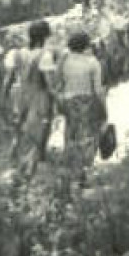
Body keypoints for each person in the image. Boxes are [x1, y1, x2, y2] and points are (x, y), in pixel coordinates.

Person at [4, 19, 56, 179]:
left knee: (19, 130)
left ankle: (15, 163)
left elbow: (8, 78)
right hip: (38, 96)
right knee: (35, 133)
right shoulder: (44, 55)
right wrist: (57, 96)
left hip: (19, 94)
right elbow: (49, 82)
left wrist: (3, 95)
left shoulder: (16, 54)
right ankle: (27, 171)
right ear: (44, 37)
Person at [55, 28, 106, 182]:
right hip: (86, 101)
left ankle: (69, 172)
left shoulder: (64, 61)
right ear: (87, 45)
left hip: (68, 101)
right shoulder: (92, 63)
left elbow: (58, 83)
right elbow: (98, 90)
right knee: (88, 136)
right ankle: (84, 173)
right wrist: (104, 109)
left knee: (70, 135)